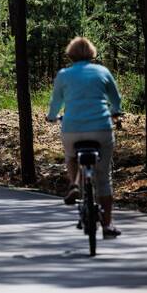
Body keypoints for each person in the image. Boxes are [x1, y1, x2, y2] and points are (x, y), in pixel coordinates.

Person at [46, 36, 123, 238]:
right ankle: (107, 226)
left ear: (70, 54)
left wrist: (52, 117)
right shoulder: (102, 71)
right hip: (101, 128)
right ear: (92, 53)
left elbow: (55, 102)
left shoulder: (64, 74)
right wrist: (116, 112)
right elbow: (116, 99)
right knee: (103, 178)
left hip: (72, 128)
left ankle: (75, 185)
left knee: (71, 157)